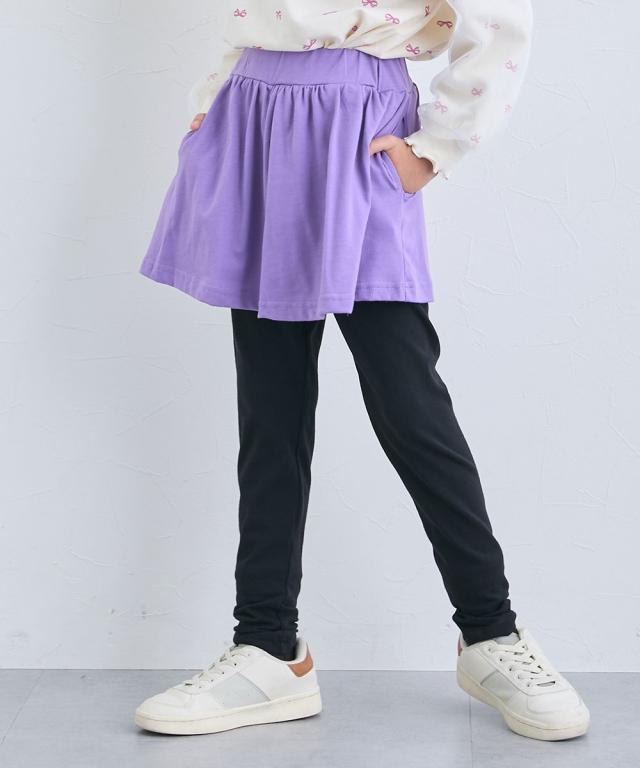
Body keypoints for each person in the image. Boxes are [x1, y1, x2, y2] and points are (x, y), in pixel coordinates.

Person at [134, 0, 590, 742]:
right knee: (270, 407)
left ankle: (491, 632)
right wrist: (213, 105)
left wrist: (436, 145)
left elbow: (499, 17)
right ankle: (268, 645)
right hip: (253, 119)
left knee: (410, 402)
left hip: (358, 127)